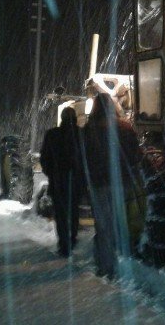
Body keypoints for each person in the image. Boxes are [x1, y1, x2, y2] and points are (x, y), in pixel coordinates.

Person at [82, 93, 142, 277]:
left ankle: (105, 266)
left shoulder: (88, 129)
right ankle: (111, 263)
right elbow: (136, 156)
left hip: (98, 183)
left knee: (103, 225)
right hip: (121, 184)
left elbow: (83, 157)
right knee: (116, 223)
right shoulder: (125, 127)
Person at [40, 107, 84, 257]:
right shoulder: (81, 134)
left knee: (61, 214)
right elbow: (86, 159)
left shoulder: (52, 135)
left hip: (58, 182)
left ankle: (64, 244)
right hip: (76, 182)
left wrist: (52, 173)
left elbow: (44, 159)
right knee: (73, 211)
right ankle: (72, 239)